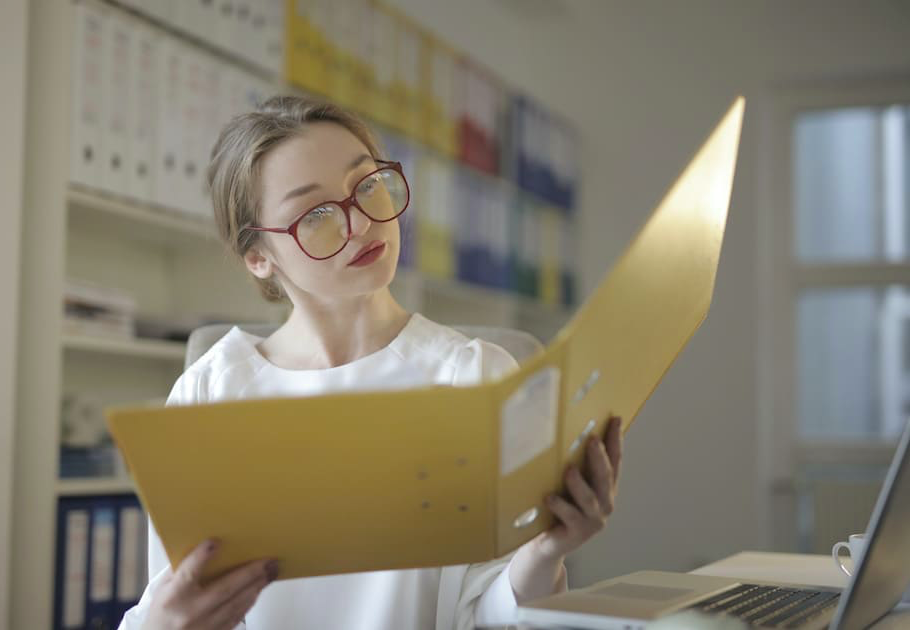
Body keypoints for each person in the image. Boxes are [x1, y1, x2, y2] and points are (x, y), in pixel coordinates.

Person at [118, 95, 623, 630]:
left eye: (367, 185)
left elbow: (488, 615)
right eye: (314, 214)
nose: (359, 222)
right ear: (259, 256)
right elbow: (174, 603)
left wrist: (546, 552)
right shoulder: (209, 394)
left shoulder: (473, 377)